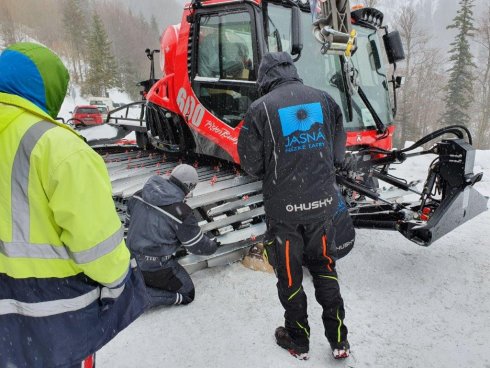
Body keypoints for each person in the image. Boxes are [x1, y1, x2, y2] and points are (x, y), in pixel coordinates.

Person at [0, 42, 148, 368]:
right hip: (52, 312)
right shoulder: (57, 147)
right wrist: (121, 278)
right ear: (49, 89)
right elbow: (101, 252)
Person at [237, 52, 355, 360]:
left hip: (285, 211)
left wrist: (278, 171)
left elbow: (250, 162)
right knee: (325, 268)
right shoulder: (325, 100)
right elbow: (339, 150)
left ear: (264, 76)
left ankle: (298, 339)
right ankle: (339, 338)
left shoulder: (259, 108)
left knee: (289, 276)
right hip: (322, 206)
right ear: (291, 70)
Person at [126, 164, 218, 307]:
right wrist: (213, 246)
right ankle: (140, 298)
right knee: (187, 293)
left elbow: (128, 222)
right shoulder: (181, 212)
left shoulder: (139, 194)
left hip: (128, 261)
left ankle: (134, 283)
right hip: (154, 268)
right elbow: (196, 246)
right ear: (189, 186)